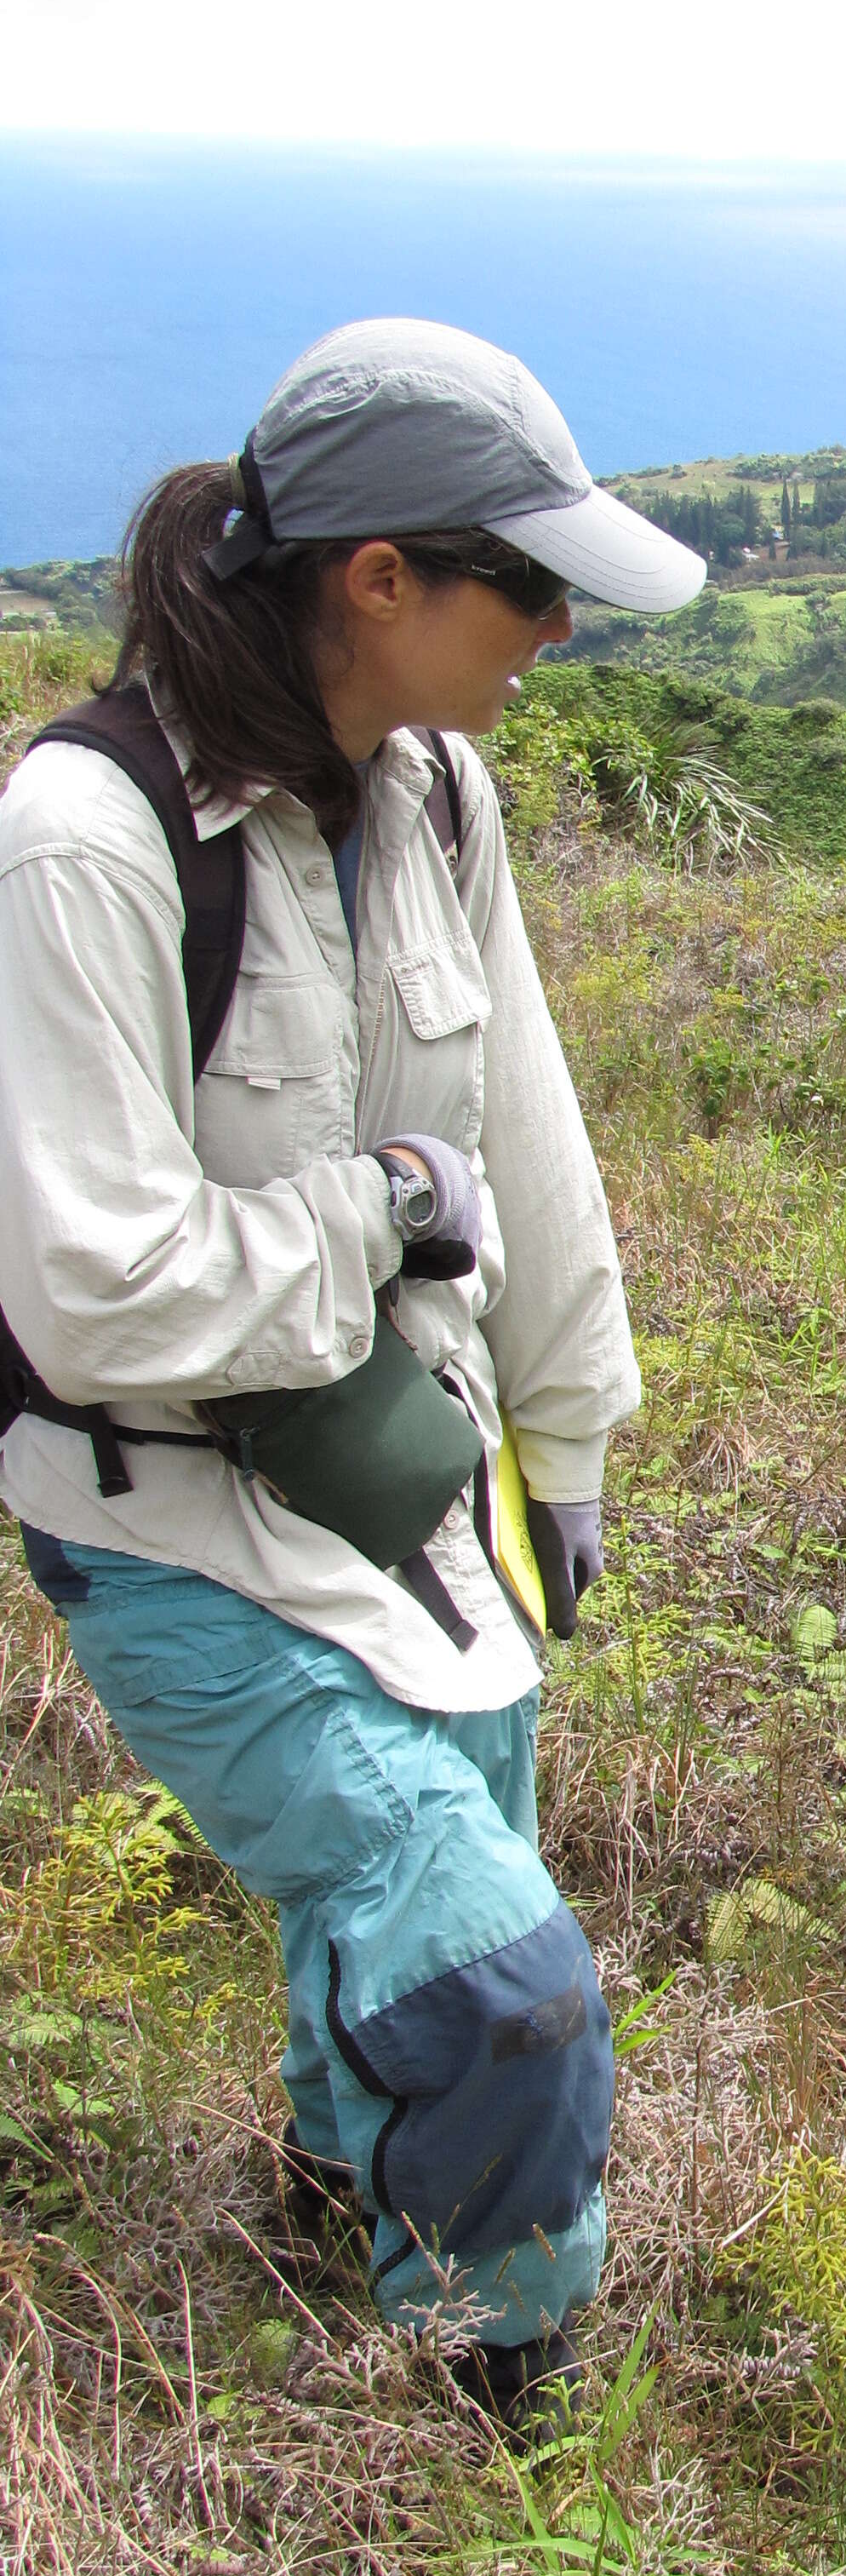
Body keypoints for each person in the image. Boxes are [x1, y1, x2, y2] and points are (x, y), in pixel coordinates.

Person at [0, 319, 706, 2419]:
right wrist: (370, 1212)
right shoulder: (87, 839)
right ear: (378, 581)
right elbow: (92, 1289)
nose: (559, 630)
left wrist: (565, 1435)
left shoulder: (439, 798)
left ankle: (337, 2196)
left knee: (406, 1902)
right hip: (177, 1531)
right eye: (527, 583)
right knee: (500, 1977)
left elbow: (530, 1140)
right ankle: (500, 2383)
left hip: (415, 1490)